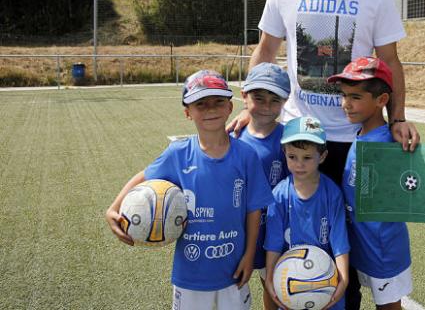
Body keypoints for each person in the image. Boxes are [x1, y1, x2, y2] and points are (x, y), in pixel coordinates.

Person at [228, 0, 420, 190]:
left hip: (357, 136)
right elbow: (265, 51)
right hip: (299, 134)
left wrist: (397, 119)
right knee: (297, 226)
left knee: (357, 228)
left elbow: (390, 61)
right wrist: (247, 107)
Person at [105, 69, 274, 310]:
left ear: (229, 107)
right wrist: (113, 208)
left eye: (218, 102)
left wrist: (249, 255)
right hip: (191, 272)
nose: (211, 109)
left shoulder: (246, 155)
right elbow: (144, 176)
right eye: (201, 104)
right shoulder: (178, 154)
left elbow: (254, 210)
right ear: (188, 112)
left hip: (234, 267)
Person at [327, 57, 413, 310]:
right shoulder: (363, 132)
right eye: (344, 96)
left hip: (384, 250)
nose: (346, 104)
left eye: (355, 97)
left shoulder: (386, 143)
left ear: (381, 100)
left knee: (388, 307)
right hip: (363, 245)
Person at [264, 116, 350, 310]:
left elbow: (339, 242)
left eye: (307, 157)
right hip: (291, 286)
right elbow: (274, 243)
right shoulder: (278, 195)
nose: (299, 164)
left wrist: (343, 280)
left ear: (323, 156)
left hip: (327, 285)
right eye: (292, 157)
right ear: (284, 153)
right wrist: (270, 278)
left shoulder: (332, 194)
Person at [233, 62, 291, 310]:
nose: (267, 106)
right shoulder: (232, 138)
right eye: (259, 98)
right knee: (238, 281)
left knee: (273, 282)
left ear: (285, 101)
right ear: (244, 96)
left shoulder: (289, 138)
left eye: (274, 100)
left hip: (275, 230)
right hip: (240, 230)